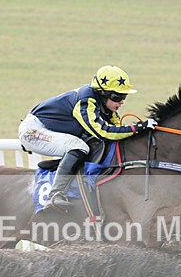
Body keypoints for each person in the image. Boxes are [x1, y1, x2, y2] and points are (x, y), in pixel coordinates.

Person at [19, 65, 156, 211]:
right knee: (78, 146)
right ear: (102, 93)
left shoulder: (107, 108)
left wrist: (141, 130)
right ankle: (55, 195)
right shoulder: (85, 101)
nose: (121, 102)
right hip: (33, 131)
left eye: (124, 97)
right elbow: (103, 131)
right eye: (117, 97)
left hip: (50, 129)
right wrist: (136, 128)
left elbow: (118, 132)